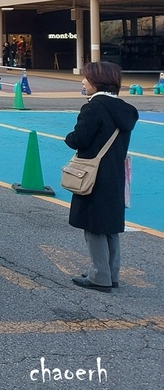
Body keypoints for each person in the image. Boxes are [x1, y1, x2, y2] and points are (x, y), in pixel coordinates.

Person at [66, 61, 138, 293]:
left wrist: (69, 138)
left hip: (94, 174)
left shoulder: (93, 107)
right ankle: (110, 273)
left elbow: (80, 139)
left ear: (97, 81)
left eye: (86, 78)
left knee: (93, 225)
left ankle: (99, 275)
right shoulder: (126, 110)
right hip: (115, 173)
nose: (83, 82)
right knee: (110, 226)